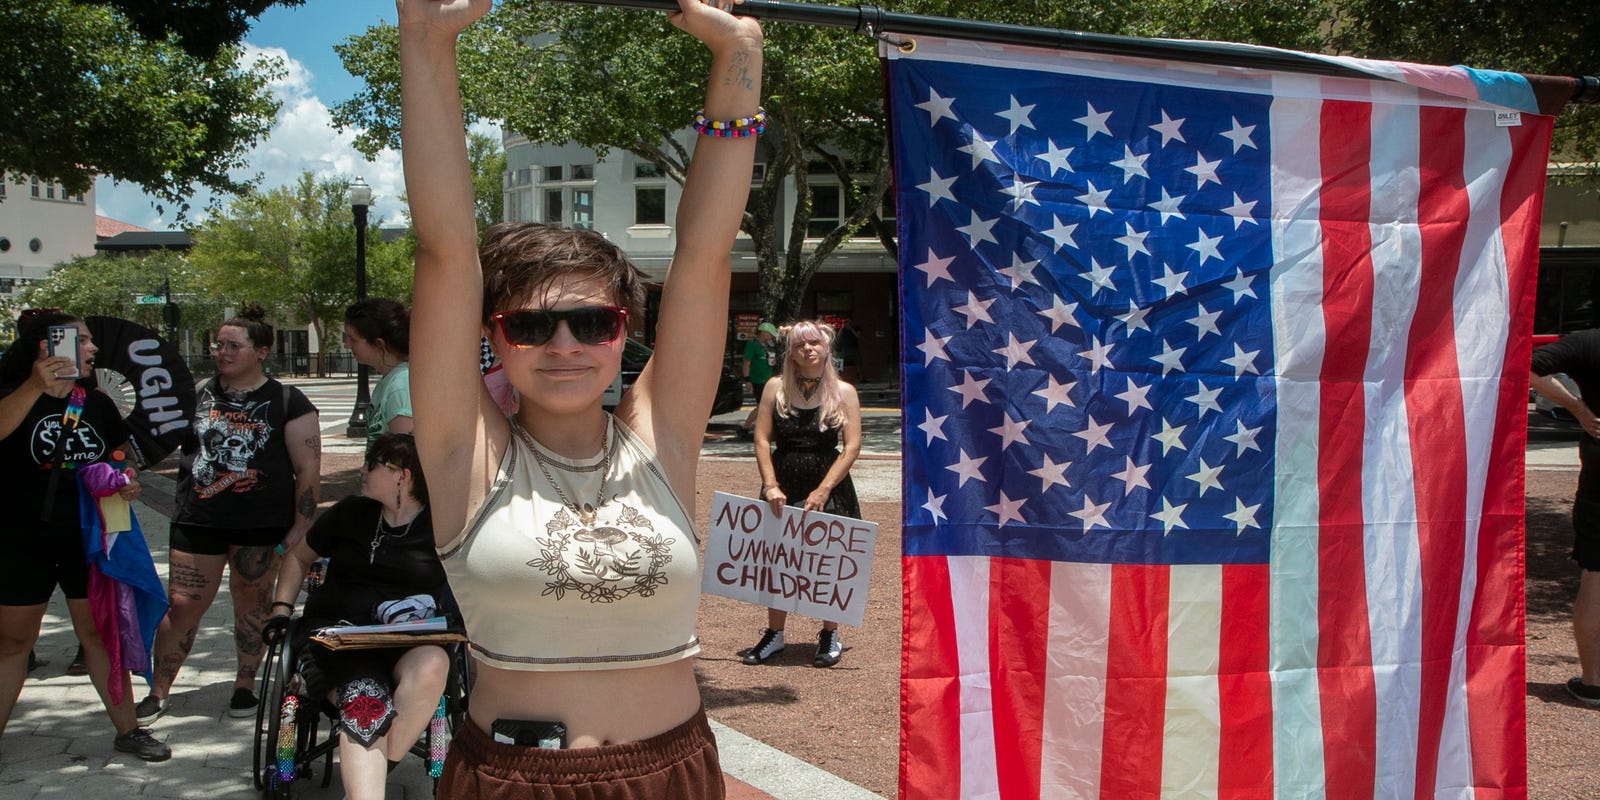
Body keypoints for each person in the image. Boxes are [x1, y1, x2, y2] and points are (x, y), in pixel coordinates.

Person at [399, 0, 761, 795]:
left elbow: (703, 256)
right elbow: (444, 250)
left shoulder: (658, 437)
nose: (565, 346)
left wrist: (738, 58)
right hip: (518, 778)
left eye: (591, 321)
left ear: (622, 332)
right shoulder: (468, 452)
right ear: (492, 337)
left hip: (674, 770)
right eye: (531, 326)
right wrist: (425, 39)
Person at [0, 309, 170, 760]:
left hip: (90, 538)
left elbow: (119, 457)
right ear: (47, 346)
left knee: (98, 634)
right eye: (84, 341)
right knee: (14, 641)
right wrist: (36, 387)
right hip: (20, 538)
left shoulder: (95, 402)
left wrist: (126, 477)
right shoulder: (10, 394)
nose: (94, 349)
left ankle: (128, 730)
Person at [137, 306, 321, 723]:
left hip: (261, 523)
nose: (222, 352)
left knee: (252, 602)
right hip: (196, 519)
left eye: (233, 346)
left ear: (261, 352)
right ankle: (158, 690)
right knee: (182, 604)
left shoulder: (288, 400)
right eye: (218, 344)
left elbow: (308, 468)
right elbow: (159, 440)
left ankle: (245, 685)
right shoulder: (197, 393)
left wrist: (301, 525)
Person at [264, 433, 450, 800]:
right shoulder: (350, 513)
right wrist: (281, 608)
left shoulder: (442, 524)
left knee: (434, 663)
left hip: (406, 640)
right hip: (339, 639)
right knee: (367, 694)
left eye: (373, 464)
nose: (363, 471)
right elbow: (298, 557)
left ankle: (370, 772)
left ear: (403, 475)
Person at [739, 320, 863, 668]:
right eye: (799, 345)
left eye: (814, 343)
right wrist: (769, 484)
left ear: (826, 348)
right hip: (784, 477)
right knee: (778, 558)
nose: (808, 349)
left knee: (828, 561)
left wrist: (824, 490)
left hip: (828, 481)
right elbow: (762, 439)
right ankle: (775, 634)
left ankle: (829, 634)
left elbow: (851, 446)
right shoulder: (775, 388)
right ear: (790, 353)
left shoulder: (845, 392)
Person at [1531, 331, 1600, 706]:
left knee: (1597, 572)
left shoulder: (1589, 342)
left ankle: (1594, 682)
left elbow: (1531, 368)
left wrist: (1579, 408)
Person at [346, 298, 415, 449]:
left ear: (379, 344)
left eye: (353, 339)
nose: (347, 345)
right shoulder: (390, 381)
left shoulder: (400, 385)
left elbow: (403, 456)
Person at [737, 322, 778, 438]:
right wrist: (747, 379)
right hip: (757, 380)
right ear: (763, 333)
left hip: (767, 379)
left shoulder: (768, 346)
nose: (771, 336)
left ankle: (752, 428)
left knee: (767, 405)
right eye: (770, 334)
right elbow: (746, 363)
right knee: (762, 405)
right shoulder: (752, 345)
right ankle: (745, 427)